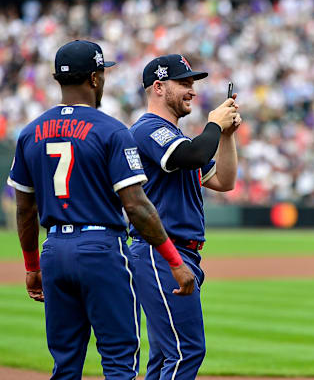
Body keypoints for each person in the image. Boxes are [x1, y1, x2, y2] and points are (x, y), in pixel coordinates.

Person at [6, 40, 194, 380]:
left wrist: (32, 266)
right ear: (94, 78)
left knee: (65, 364)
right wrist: (175, 262)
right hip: (101, 250)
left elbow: (24, 210)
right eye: (103, 74)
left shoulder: (29, 133)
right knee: (120, 362)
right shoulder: (112, 131)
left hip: (53, 252)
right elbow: (137, 207)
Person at [128, 54, 240, 380]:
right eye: (185, 83)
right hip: (161, 250)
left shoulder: (176, 136)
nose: (192, 90)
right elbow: (193, 156)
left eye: (193, 83)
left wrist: (227, 136)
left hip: (179, 252)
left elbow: (223, 181)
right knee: (186, 351)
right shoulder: (149, 128)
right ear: (159, 87)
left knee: (166, 355)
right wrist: (214, 125)